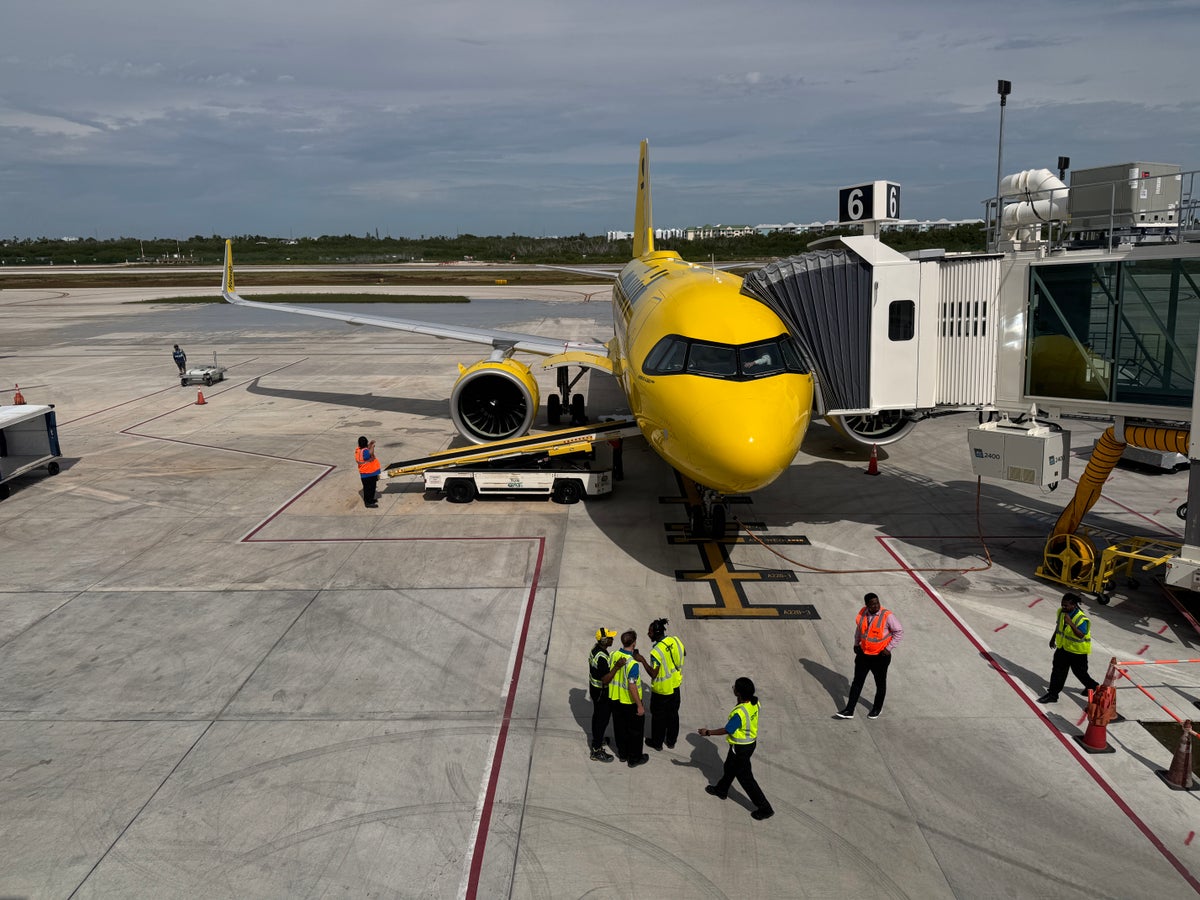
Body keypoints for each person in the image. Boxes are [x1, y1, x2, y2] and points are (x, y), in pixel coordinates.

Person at [699, 676, 774, 821]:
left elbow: (728, 729)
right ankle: (721, 790)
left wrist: (708, 732)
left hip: (741, 748)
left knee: (746, 778)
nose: (733, 688)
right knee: (729, 767)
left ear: (739, 693)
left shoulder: (740, 713)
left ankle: (765, 808)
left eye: (735, 687)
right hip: (749, 743)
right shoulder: (754, 702)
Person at [836, 592, 903, 720]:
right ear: (867, 605)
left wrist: (889, 648)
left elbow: (899, 631)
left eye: (877, 602)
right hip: (864, 654)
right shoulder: (863, 614)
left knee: (880, 683)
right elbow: (859, 629)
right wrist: (856, 643)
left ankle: (877, 708)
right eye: (872, 604)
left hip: (880, 657)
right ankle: (849, 710)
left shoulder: (887, 616)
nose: (876, 606)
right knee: (857, 682)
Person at [1037, 592, 1101, 703]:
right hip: (1063, 648)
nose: (1063, 607)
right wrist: (1053, 639)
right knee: (1058, 671)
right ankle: (1053, 695)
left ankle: (1093, 686)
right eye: (1062, 604)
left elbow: (1081, 634)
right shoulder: (1061, 612)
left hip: (1077, 652)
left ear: (1074, 605)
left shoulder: (1081, 618)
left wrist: (1071, 623)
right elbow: (1058, 626)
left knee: (1080, 673)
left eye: (1066, 605)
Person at [606, 629, 649, 767]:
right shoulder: (632, 664)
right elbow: (632, 686)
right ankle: (634, 758)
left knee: (620, 729)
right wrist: (640, 705)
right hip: (629, 702)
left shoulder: (613, 655)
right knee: (635, 732)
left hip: (615, 699)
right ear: (634, 643)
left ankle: (623, 754)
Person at [644, 618, 685, 751]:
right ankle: (671, 741)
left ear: (656, 633)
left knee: (658, 718)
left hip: (661, 691)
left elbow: (653, 674)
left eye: (650, 632)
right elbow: (684, 652)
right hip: (675, 685)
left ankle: (657, 743)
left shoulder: (656, 652)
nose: (648, 634)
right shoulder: (674, 640)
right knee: (673, 715)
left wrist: (642, 661)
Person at [588, 628, 617, 762]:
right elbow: (606, 679)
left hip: (595, 690)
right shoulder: (602, 658)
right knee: (602, 720)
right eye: (610, 637)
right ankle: (596, 750)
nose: (612, 639)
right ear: (604, 641)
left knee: (597, 717)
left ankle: (597, 739)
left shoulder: (595, 650)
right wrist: (617, 667)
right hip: (601, 692)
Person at [355, 435, 381, 508]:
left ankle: (371, 500)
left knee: (370, 488)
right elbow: (370, 453)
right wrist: (372, 447)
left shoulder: (359, 450)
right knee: (369, 488)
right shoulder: (365, 452)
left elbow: (366, 449)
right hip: (368, 473)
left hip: (365, 473)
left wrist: (370, 444)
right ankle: (368, 503)